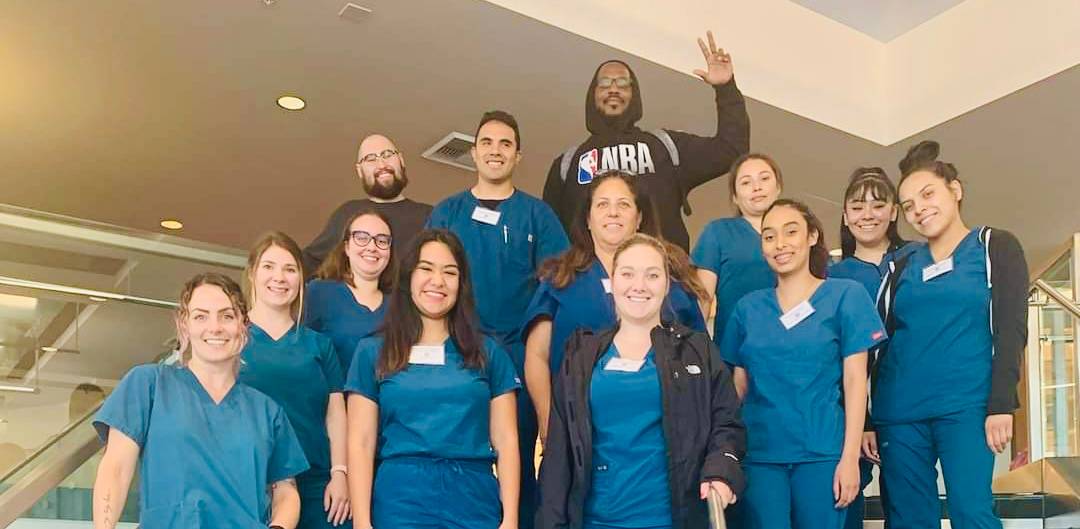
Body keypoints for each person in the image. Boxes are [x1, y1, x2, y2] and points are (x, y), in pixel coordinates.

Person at [536, 233, 745, 529]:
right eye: (627, 274)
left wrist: (721, 471)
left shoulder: (696, 350)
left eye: (652, 275)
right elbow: (559, 455)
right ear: (613, 280)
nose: (639, 285)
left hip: (670, 520)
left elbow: (727, 423)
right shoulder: (580, 356)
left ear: (667, 284)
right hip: (597, 521)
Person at [874, 141, 1028, 529]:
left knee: (971, 512)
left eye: (928, 194)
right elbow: (877, 345)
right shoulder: (901, 265)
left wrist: (1001, 404)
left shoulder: (994, 246)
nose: (919, 209)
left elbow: (1011, 330)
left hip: (967, 408)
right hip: (900, 412)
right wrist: (867, 422)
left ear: (955, 190)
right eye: (908, 206)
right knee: (909, 519)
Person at [427, 110, 569, 528]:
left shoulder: (538, 216)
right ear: (473, 152)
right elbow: (427, 283)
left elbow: (555, 288)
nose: (495, 151)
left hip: (517, 357)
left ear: (518, 155)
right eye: (487, 142)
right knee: (455, 449)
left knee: (518, 457)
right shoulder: (447, 213)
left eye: (505, 144)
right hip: (456, 355)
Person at [93, 273, 309, 529]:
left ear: (244, 325)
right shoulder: (149, 384)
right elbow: (115, 470)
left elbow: (285, 490)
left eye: (227, 316)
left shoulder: (266, 411)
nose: (215, 327)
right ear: (184, 326)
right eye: (200, 316)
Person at [721, 199, 883, 529]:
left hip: (822, 453)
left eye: (790, 231)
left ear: (812, 236)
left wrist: (850, 458)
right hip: (761, 456)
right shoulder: (746, 309)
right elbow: (736, 391)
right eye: (769, 236)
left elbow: (855, 383)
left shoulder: (844, 296)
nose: (780, 244)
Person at [345, 229, 521, 529]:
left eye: (450, 272)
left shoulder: (488, 352)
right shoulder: (373, 351)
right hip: (401, 498)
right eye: (426, 269)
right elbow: (360, 442)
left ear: (461, 284)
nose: (437, 281)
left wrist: (511, 520)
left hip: (473, 498)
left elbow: (506, 440)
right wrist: (362, 522)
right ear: (408, 278)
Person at [522, 170, 708, 441]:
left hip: (662, 433)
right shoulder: (560, 279)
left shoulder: (674, 280)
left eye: (623, 204)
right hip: (578, 431)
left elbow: (700, 357)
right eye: (602, 204)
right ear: (587, 218)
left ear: (639, 217)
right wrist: (549, 425)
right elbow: (537, 355)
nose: (613, 213)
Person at [543, 31, 750, 251]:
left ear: (635, 95)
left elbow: (731, 149)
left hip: (664, 278)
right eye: (605, 83)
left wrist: (726, 89)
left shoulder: (666, 147)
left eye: (623, 83)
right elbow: (548, 239)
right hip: (591, 281)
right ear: (592, 95)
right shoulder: (567, 164)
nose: (614, 88)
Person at [239, 232, 351, 528]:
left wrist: (340, 472)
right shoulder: (231, 339)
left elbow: (335, 414)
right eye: (269, 266)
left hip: (317, 484)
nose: (280, 277)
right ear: (252, 273)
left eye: (290, 269)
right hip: (248, 482)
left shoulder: (319, 345)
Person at [829, 167, 909, 529]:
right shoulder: (831, 276)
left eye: (878, 205)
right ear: (845, 216)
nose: (868, 215)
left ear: (894, 211)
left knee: (907, 506)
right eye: (857, 207)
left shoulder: (916, 261)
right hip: (849, 414)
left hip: (907, 409)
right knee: (845, 503)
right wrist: (861, 421)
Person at [302, 134, 431, 275]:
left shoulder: (431, 216)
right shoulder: (348, 213)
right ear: (360, 171)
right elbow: (308, 264)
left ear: (401, 159)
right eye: (370, 159)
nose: (382, 165)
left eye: (387, 155)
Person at [692, 153, 783, 345]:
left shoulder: (799, 233)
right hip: (734, 348)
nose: (757, 187)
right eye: (746, 182)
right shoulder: (718, 232)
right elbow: (703, 298)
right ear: (734, 196)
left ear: (778, 187)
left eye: (764, 178)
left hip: (791, 347)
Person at [305, 210, 393, 373]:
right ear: (346, 246)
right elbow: (302, 355)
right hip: (332, 397)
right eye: (361, 238)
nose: (372, 247)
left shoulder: (400, 304)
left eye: (381, 240)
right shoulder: (320, 292)